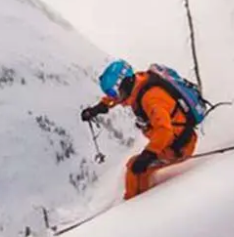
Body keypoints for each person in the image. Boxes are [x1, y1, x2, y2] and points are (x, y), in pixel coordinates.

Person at [79, 59, 199, 200]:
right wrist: (98, 108)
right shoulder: (138, 83)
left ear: (124, 84)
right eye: (112, 93)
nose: (115, 96)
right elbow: (115, 98)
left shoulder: (151, 99)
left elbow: (164, 131)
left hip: (178, 147)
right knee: (138, 165)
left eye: (114, 92)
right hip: (171, 141)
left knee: (135, 169)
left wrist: (149, 154)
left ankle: (136, 206)